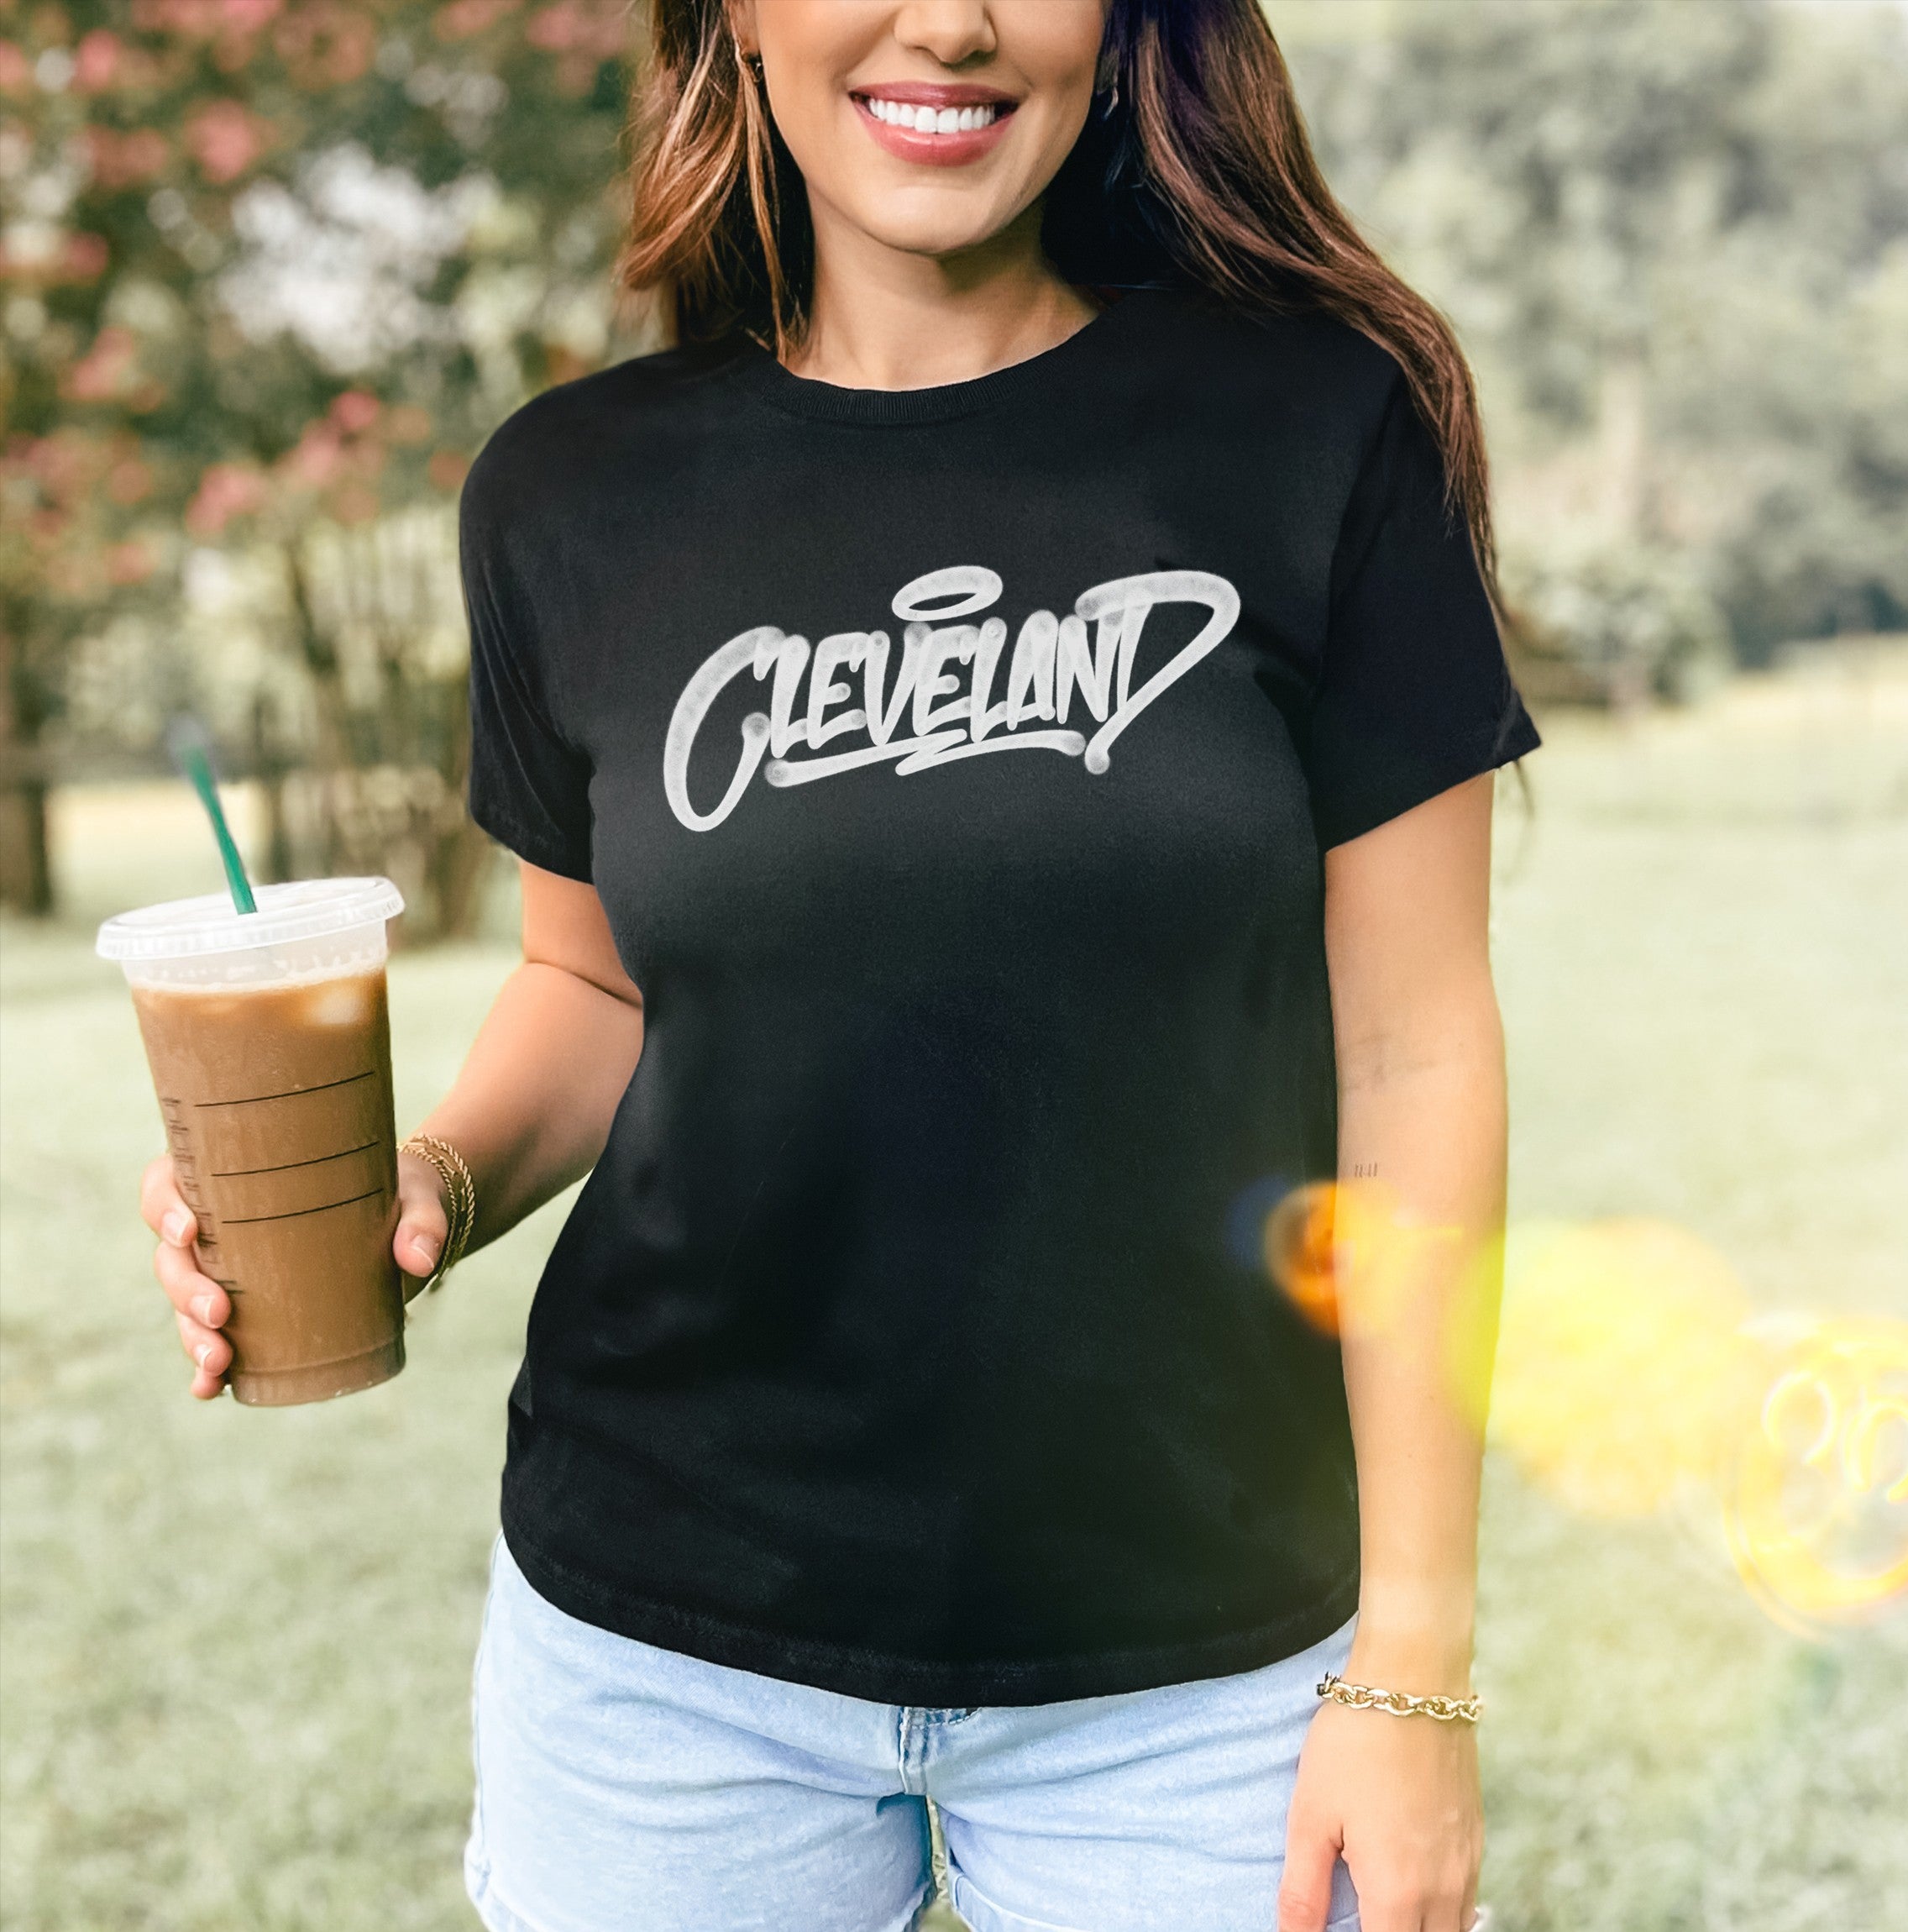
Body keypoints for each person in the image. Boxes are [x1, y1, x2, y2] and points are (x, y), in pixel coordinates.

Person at [143, 3, 1536, 1928]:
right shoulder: (570, 492)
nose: (949, 20)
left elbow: (1414, 1058)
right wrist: (427, 1183)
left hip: (1208, 1665)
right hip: (662, 1659)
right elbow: (597, 988)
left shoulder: (1313, 427)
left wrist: (1412, 1662)